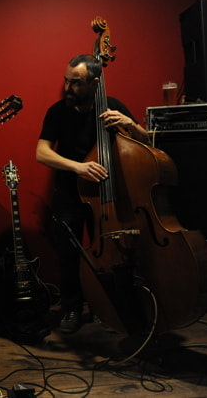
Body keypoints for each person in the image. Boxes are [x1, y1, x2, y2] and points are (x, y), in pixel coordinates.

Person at [35, 54, 149, 334]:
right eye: (66, 80)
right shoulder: (58, 111)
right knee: (68, 255)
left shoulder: (113, 107)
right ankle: (72, 307)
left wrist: (129, 124)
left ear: (94, 83)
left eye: (76, 83)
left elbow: (146, 143)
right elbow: (42, 152)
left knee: (111, 254)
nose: (68, 87)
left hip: (107, 197)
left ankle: (105, 306)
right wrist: (78, 167)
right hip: (69, 193)